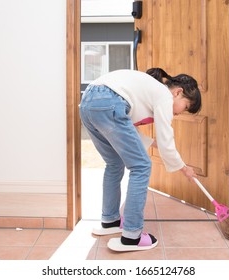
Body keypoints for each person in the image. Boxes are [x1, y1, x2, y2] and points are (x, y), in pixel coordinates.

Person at [79, 68, 202, 252]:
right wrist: (184, 168)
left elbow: (127, 129)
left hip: (89, 103)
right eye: (184, 107)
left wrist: (153, 144)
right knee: (142, 166)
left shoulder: (146, 91)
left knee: (114, 163)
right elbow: (166, 139)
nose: (178, 114)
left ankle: (110, 221)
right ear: (178, 93)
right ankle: (131, 236)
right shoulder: (164, 95)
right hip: (109, 102)